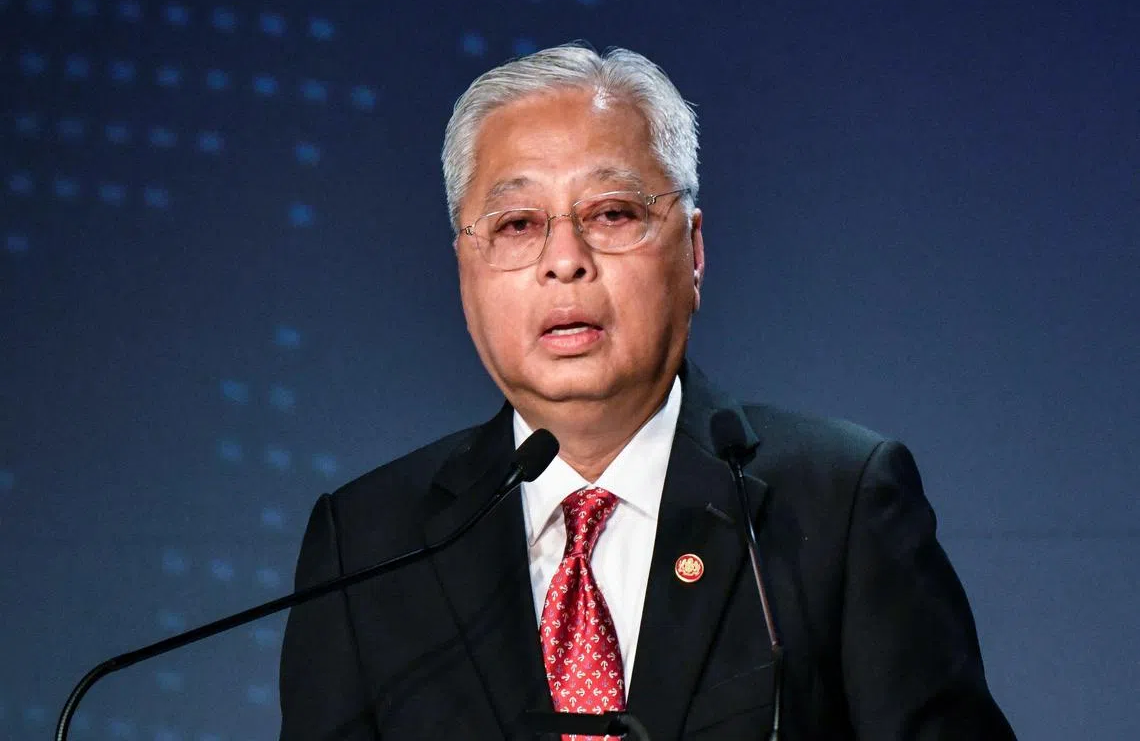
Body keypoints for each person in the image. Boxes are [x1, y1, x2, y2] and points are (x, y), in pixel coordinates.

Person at [278, 43, 1016, 740]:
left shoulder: (837, 503)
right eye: (517, 223)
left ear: (692, 251)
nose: (564, 261)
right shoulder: (369, 544)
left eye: (611, 214)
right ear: (464, 271)